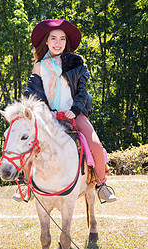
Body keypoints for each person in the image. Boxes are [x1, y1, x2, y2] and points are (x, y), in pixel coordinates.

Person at [23, 19, 116, 203]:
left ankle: (101, 184)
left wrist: (75, 109)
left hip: (74, 113)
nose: (58, 43)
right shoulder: (39, 67)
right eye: (53, 38)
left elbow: (82, 91)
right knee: (25, 143)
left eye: (62, 39)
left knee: (95, 145)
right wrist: (45, 111)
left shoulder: (77, 63)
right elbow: (33, 93)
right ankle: (27, 185)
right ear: (46, 41)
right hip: (48, 116)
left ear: (66, 42)